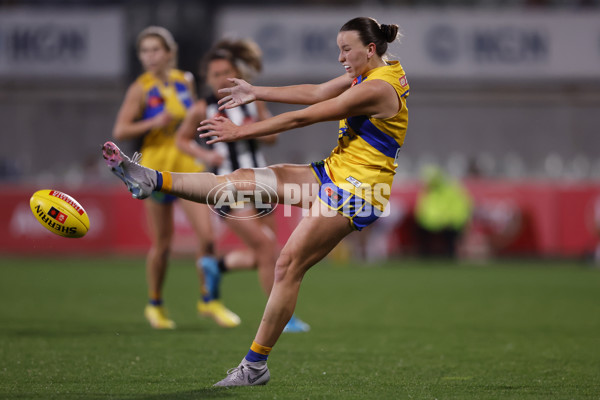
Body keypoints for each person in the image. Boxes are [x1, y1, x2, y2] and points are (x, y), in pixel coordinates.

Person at [102, 17, 408, 385]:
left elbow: (305, 116)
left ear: (370, 49)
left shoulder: (376, 88)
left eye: (346, 49)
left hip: (360, 191)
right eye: (339, 49)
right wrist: (255, 91)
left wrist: (240, 131)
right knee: (240, 182)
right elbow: (314, 92)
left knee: (287, 265)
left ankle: (254, 367)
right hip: (335, 173)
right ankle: (151, 178)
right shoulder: (375, 70)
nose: (340, 57)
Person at [175, 38, 310, 333]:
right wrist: (205, 154)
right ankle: (282, 319)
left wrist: (253, 125)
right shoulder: (202, 108)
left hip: (260, 181)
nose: (221, 78)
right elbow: (182, 140)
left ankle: (217, 266)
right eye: (215, 74)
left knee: (273, 254)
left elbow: (272, 138)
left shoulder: (252, 99)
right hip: (226, 187)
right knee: (264, 247)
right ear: (206, 79)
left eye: (227, 72)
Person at [110, 26, 239, 330]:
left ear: (170, 53)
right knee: (163, 244)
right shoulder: (140, 88)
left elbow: (192, 121)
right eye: (145, 51)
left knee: (207, 237)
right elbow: (120, 131)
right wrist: (153, 121)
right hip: (154, 170)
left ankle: (210, 300)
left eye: (156, 50)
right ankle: (155, 304)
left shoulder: (186, 81)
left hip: (188, 168)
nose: (150, 57)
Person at [414, 165, 472, 258]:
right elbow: (423, 210)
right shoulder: (428, 191)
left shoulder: (452, 189)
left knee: (449, 235)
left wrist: (446, 220)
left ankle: (448, 255)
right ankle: (426, 255)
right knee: (421, 231)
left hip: (451, 223)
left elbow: (460, 209)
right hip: (435, 222)